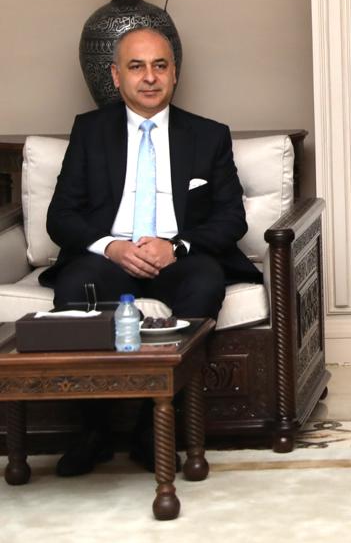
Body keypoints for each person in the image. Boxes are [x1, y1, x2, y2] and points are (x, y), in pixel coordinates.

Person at [40, 26, 260, 476]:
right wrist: (112, 247)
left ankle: (150, 427)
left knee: (206, 280)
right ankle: (95, 429)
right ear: (116, 76)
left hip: (178, 258)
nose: (150, 77)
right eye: (136, 66)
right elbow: (61, 216)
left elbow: (230, 218)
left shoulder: (208, 135)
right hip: (109, 257)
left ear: (174, 73)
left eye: (160, 65)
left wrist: (175, 246)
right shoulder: (89, 131)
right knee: (75, 284)